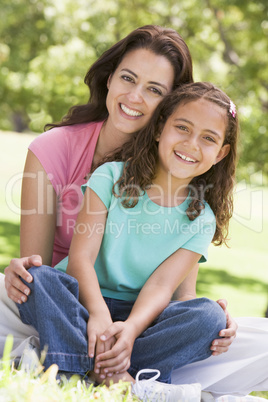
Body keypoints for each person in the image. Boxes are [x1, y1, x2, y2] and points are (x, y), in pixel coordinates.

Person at [1, 25, 235, 358]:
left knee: (226, 328)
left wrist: (209, 317)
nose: (135, 97)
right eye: (128, 78)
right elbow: (37, 267)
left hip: (138, 320)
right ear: (109, 78)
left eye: (154, 89)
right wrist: (25, 275)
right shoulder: (57, 152)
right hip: (67, 305)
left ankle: (107, 364)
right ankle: (96, 363)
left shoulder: (183, 174)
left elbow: (177, 290)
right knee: (28, 283)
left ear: (173, 105)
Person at [15, 82, 238, 401]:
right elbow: (80, 259)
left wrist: (130, 330)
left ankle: (90, 366)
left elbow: (162, 287)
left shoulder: (201, 218)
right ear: (160, 128)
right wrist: (99, 315)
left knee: (209, 317)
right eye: (182, 128)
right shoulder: (110, 177)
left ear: (221, 153)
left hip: (143, 318)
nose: (191, 144)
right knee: (40, 279)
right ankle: (104, 375)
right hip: (81, 300)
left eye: (208, 138)